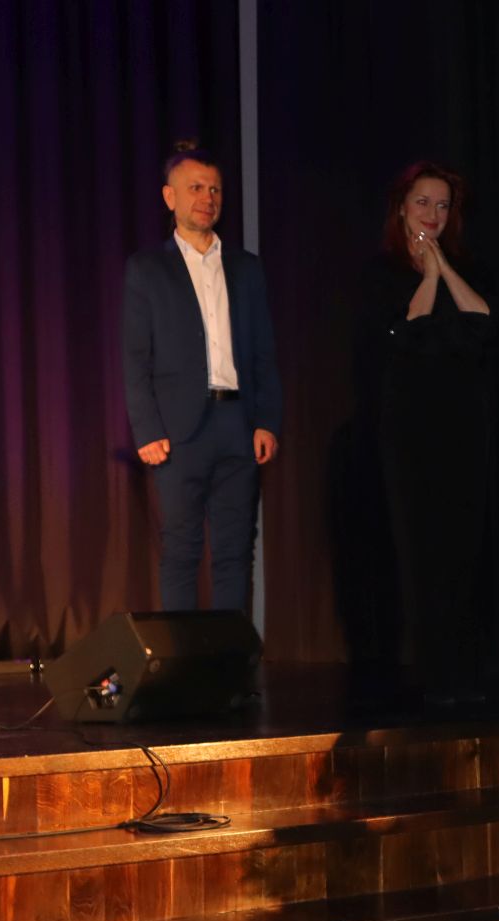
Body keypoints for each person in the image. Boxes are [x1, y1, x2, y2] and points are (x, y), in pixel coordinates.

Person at [351, 161, 497, 702]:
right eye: (422, 203)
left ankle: (462, 672)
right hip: (410, 430)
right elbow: (405, 332)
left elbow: (485, 321)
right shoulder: (383, 272)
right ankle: (427, 673)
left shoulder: (468, 268)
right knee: (419, 551)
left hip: (463, 427)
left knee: (463, 549)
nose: (433, 214)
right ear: (401, 208)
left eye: (442, 205)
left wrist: (444, 268)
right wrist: (429, 276)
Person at [123, 141, 283, 612]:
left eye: (214, 189)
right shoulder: (147, 270)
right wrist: (147, 429)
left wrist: (267, 420)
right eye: (195, 188)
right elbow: (135, 357)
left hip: (237, 422)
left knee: (235, 551)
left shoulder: (245, 267)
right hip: (178, 430)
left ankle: (229, 656)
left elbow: (263, 351)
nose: (207, 198)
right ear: (169, 196)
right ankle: (182, 656)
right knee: (182, 549)